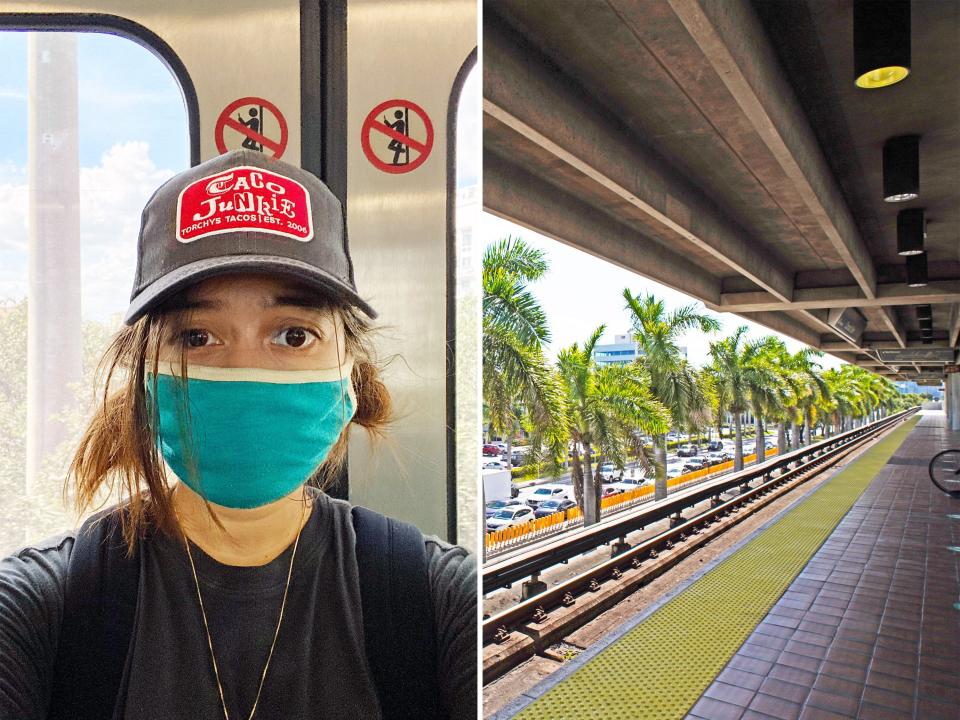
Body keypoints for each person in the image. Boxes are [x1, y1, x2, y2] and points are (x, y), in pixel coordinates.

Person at [0, 150, 476, 720]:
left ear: (349, 376)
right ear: (145, 380)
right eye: (197, 337)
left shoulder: (439, 599)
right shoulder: (40, 607)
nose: (245, 370)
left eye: (294, 336)